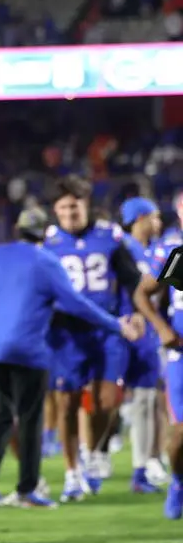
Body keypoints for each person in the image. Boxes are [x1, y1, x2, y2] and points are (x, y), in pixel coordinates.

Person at [0, 208, 141, 507]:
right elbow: (76, 304)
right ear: (45, 233)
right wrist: (115, 325)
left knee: (2, 415)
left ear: (17, 229)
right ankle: (26, 490)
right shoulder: (46, 261)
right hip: (28, 349)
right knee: (31, 418)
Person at [45, 176, 173, 501]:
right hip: (68, 331)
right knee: (67, 401)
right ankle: (74, 473)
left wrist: (138, 312)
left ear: (85, 205)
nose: (69, 213)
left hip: (108, 329)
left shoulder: (110, 237)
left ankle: (94, 452)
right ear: (55, 211)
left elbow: (132, 279)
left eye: (74, 206)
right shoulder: (48, 243)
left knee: (106, 400)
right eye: (62, 207)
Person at [119, 198, 171, 494]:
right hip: (125, 329)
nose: (158, 223)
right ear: (139, 218)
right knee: (124, 399)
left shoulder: (153, 249)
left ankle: (148, 463)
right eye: (153, 217)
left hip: (148, 330)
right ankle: (94, 458)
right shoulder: (122, 246)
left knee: (150, 398)